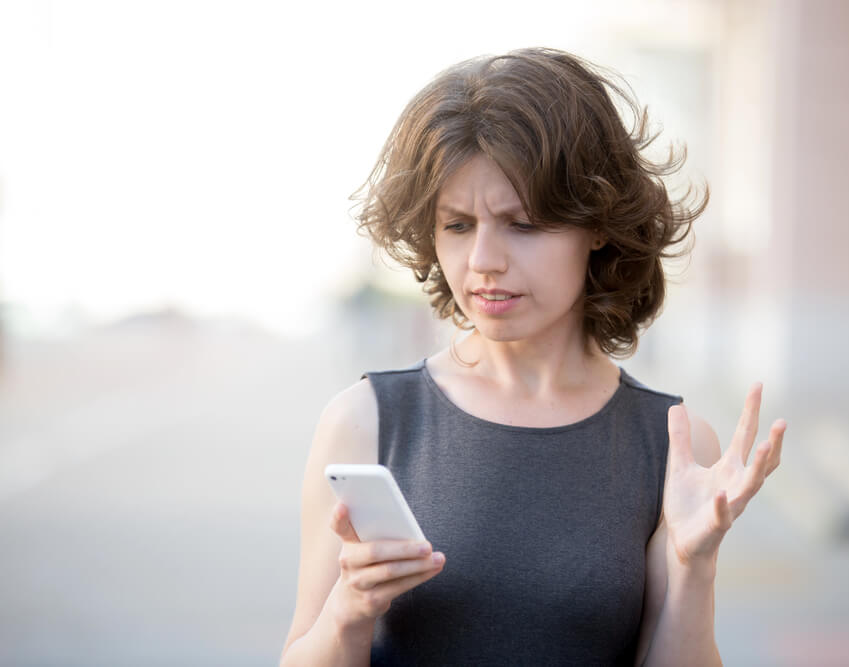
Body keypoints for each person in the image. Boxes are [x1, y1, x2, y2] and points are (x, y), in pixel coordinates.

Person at [280, 47, 786, 666]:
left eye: (521, 223)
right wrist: (348, 612)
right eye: (458, 225)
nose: (483, 260)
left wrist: (694, 563)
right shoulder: (365, 421)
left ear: (597, 223)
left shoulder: (675, 445)